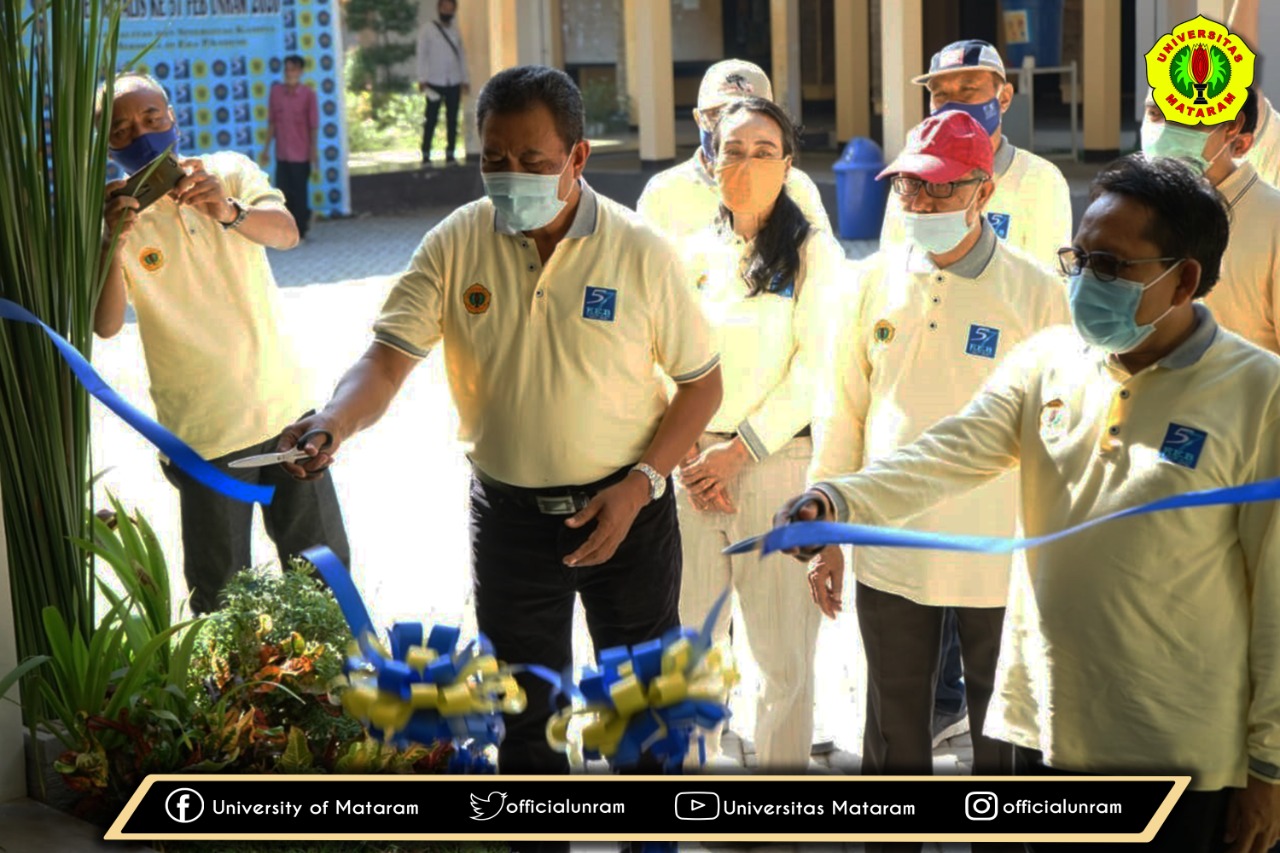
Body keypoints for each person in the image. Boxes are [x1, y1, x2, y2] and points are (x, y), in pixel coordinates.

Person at [782, 155, 1280, 853]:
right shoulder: (1048, 362)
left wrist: (1270, 766)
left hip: (1182, 753)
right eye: (1079, 258)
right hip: (1051, 730)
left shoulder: (1259, 394)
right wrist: (833, 497)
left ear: (1185, 278)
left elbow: (1276, 604)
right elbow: (944, 453)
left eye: (1111, 266)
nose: (1083, 282)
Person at [275, 65, 722, 802]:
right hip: (512, 523)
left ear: (577, 157)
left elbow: (702, 383)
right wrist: (332, 421)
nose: (510, 176)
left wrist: (641, 484)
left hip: (629, 517)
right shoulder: (457, 242)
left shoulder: (640, 250)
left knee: (642, 721)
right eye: (493, 159)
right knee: (525, 722)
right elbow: (386, 361)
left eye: (533, 162)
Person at [803, 110, 1067, 852]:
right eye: (908, 189)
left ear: (982, 190)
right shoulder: (871, 281)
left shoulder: (1038, 293)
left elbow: (1061, 428)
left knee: (1004, 735)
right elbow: (843, 411)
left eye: (938, 190)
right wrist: (828, 531)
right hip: (891, 544)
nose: (918, 205)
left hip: (998, 553)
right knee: (894, 730)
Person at [878, 39, 1074, 746]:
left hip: (996, 490)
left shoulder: (1041, 185)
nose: (957, 97)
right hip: (904, 502)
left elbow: (1047, 328)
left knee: (1001, 701)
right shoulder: (906, 187)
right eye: (942, 88)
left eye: (973, 85)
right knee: (898, 702)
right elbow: (892, 268)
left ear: (1006, 94)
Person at [96, 72, 351, 616]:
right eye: (120, 130)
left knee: (323, 576)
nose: (140, 135)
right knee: (221, 595)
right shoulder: (115, 216)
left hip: (286, 411)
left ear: (174, 119)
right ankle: (233, 702)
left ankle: (336, 693)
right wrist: (109, 240)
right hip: (203, 435)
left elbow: (286, 232)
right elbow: (106, 325)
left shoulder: (230, 170)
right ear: (106, 148)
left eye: (151, 118)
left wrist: (228, 210)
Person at [673, 97, 846, 771]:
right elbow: (662, 359)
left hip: (776, 467)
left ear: (789, 164)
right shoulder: (689, 252)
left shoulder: (812, 255)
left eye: (762, 150)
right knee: (690, 652)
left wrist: (737, 452)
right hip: (691, 469)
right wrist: (693, 454)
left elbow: (817, 369)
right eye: (730, 149)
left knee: (781, 660)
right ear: (710, 160)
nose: (743, 164)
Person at [881, 40, 1072, 272]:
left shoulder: (1040, 179)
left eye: (967, 90)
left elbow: (1047, 286)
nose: (952, 106)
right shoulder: (911, 179)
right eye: (940, 95)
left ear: (1004, 98)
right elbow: (891, 265)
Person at [1141, 86, 1280, 354]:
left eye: (1189, 118)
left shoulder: (1273, 224)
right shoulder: (1128, 212)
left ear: (1239, 141)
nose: (1165, 131)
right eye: (1155, 113)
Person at [637, 59, 832, 239]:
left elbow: (824, 266)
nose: (731, 127)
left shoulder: (796, 186)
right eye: (716, 114)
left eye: (748, 114)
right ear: (698, 119)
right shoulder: (664, 192)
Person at [260, 54, 319, 241]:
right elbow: (272, 123)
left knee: (300, 192)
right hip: (282, 153)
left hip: (301, 153)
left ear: (300, 72)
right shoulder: (276, 92)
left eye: (293, 69)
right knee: (283, 193)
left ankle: (301, 230)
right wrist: (266, 149)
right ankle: (286, 230)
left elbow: (313, 126)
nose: (289, 73)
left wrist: (313, 151)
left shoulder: (308, 95)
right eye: (286, 69)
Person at [416, 0, 469, 164]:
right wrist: (421, 79)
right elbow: (421, 54)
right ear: (439, 9)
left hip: (453, 81)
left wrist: (465, 79)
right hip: (433, 81)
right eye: (444, 8)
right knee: (431, 118)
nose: (447, 11)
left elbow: (461, 56)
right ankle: (426, 153)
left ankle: (451, 153)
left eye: (451, 9)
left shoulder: (455, 31)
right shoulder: (427, 30)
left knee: (452, 119)